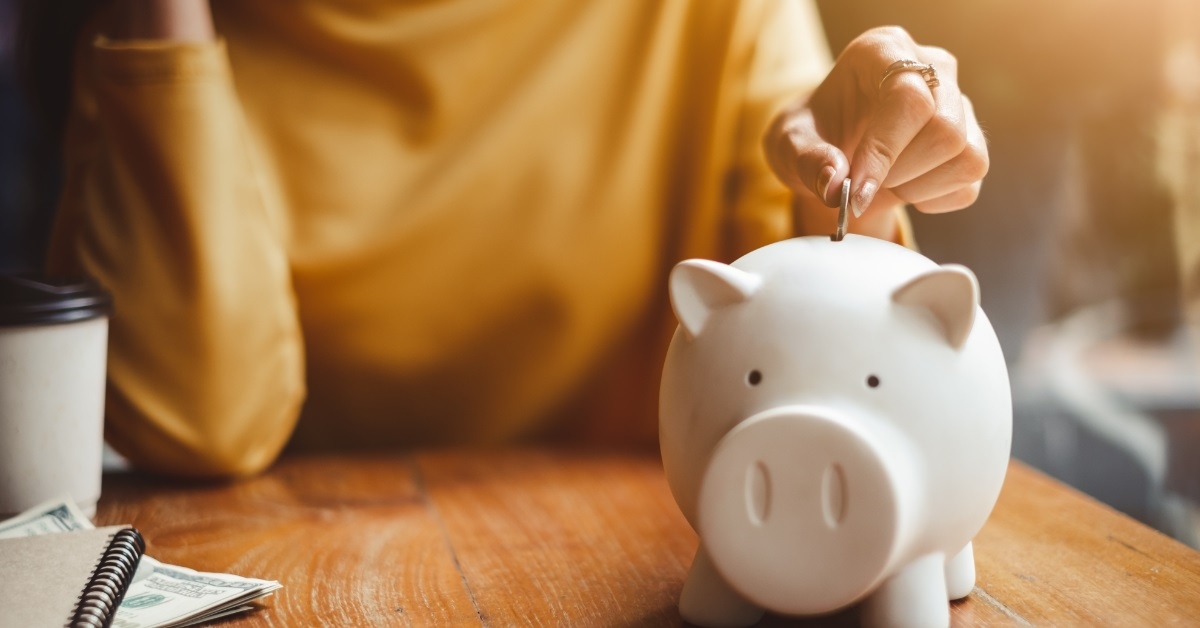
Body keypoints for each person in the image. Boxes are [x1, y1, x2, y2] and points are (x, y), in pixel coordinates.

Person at [23, 0, 987, 477]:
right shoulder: (171, 35)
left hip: (644, 554)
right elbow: (196, 423)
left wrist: (855, 176)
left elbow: (821, 336)